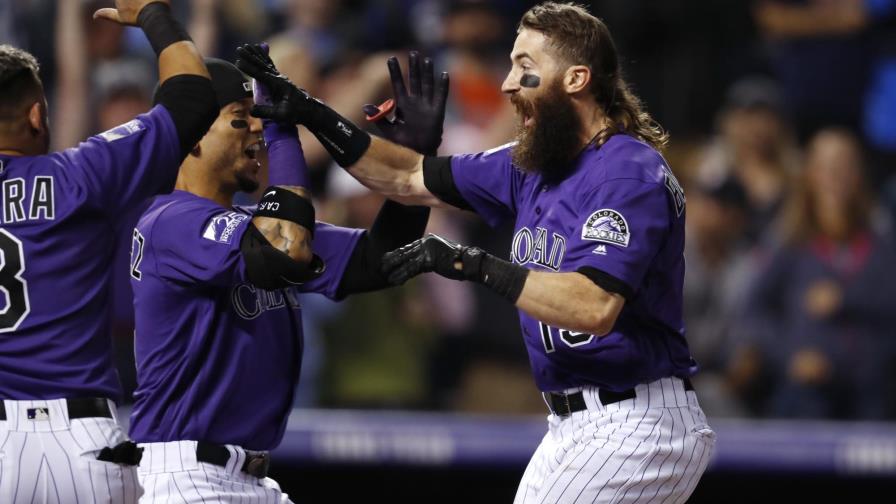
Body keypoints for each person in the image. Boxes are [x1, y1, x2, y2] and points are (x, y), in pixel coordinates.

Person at [237, 2, 714, 502]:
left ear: (576, 79)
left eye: (525, 67)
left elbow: (592, 306)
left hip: (635, 420)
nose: (508, 83)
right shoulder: (531, 165)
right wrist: (311, 112)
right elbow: (404, 176)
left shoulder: (624, 173)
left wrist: (467, 263)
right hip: (578, 424)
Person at [128, 49, 443, 501]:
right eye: (240, 118)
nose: (255, 125)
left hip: (249, 479)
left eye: (257, 117)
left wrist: (415, 158)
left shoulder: (252, 226)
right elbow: (283, 248)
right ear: (191, 136)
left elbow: (381, 259)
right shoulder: (170, 222)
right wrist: (282, 128)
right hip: (190, 475)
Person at [0, 1, 218, 501]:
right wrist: (153, 15)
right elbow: (193, 97)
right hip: (80, 440)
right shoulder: (80, 175)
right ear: (37, 115)